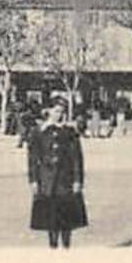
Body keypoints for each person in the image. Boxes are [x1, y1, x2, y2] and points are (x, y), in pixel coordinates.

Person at [27, 96, 87, 249]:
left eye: (62, 111)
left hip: (65, 181)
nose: (59, 114)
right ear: (48, 111)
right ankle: (52, 246)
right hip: (46, 181)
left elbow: (76, 158)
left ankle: (66, 247)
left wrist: (77, 181)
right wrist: (33, 180)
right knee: (50, 217)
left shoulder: (69, 132)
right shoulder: (39, 132)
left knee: (66, 217)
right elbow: (33, 158)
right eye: (56, 111)